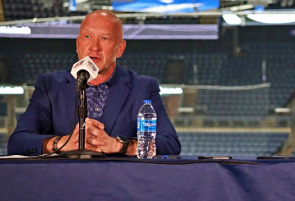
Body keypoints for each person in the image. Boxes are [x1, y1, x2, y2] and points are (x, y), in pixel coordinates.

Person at [8, 10, 181, 156]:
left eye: (105, 38)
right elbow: (18, 142)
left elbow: (170, 145)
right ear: (77, 44)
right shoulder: (50, 85)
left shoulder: (142, 88)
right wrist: (62, 143)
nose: (94, 47)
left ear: (120, 48)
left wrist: (119, 145)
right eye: (88, 36)